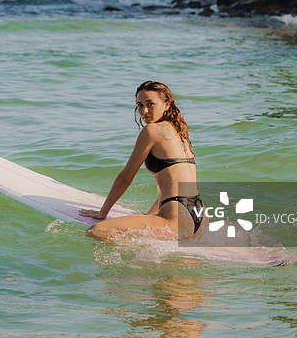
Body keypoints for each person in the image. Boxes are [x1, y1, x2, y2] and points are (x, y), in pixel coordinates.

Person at [80, 81, 205, 240]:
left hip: (176, 219)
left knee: (96, 231)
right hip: (199, 217)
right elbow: (174, 183)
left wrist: (102, 212)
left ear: (167, 105)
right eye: (140, 105)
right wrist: (151, 215)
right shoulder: (180, 132)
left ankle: (135, 255)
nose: (144, 111)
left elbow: (125, 178)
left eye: (150, 104)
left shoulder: (151, 131)